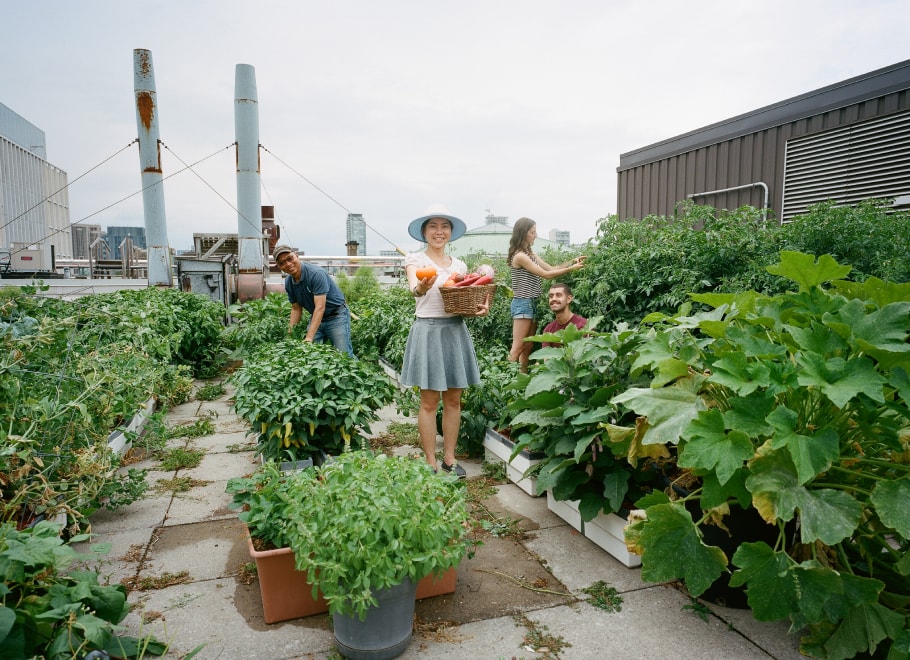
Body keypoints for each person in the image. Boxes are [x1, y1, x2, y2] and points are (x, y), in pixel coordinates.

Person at [399, 207, 491, 478]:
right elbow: (414, 289)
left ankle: (450, 457)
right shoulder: (415, 260)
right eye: (433, 227)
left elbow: (463, 303)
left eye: (445, 227)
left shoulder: (459, 265)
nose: (439, 231)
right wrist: (422, 287)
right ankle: (430, 460)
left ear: (450, 233)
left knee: (454, 400)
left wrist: (478, 308)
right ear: (425, 232)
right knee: (429, 401)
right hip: (428, 330)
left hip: (455, 331)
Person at [507, 217, 586, 370]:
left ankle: (522, 377)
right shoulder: (520, 256)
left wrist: (572, 261)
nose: (535, 235)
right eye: (532, 232)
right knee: (517, 346)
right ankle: (503, 381)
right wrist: (572, 269)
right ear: (523, 233)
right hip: (523, 303)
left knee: (528, 345)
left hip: (533, 302)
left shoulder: (529, 253)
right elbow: (546, 275)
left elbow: (551, 268)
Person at [273, 244, 355, 357]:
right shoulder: (289, 282)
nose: (288, 264)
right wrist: (290, 334)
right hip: (316, 318)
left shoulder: (315, 274)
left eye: (289, 258)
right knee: (308, 355)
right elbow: (296, 309)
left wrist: (309, 337)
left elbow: (320, 307)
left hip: (336, 316)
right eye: (282, 263)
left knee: (344, 356)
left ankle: (364, 374)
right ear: (279, 266)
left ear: (296, 256)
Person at [541, 283, 587, 347]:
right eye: (551, 296)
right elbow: (545, 356)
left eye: (558, 295)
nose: (553, 299)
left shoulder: (583, 326)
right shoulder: (548, 330)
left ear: (569, 299)